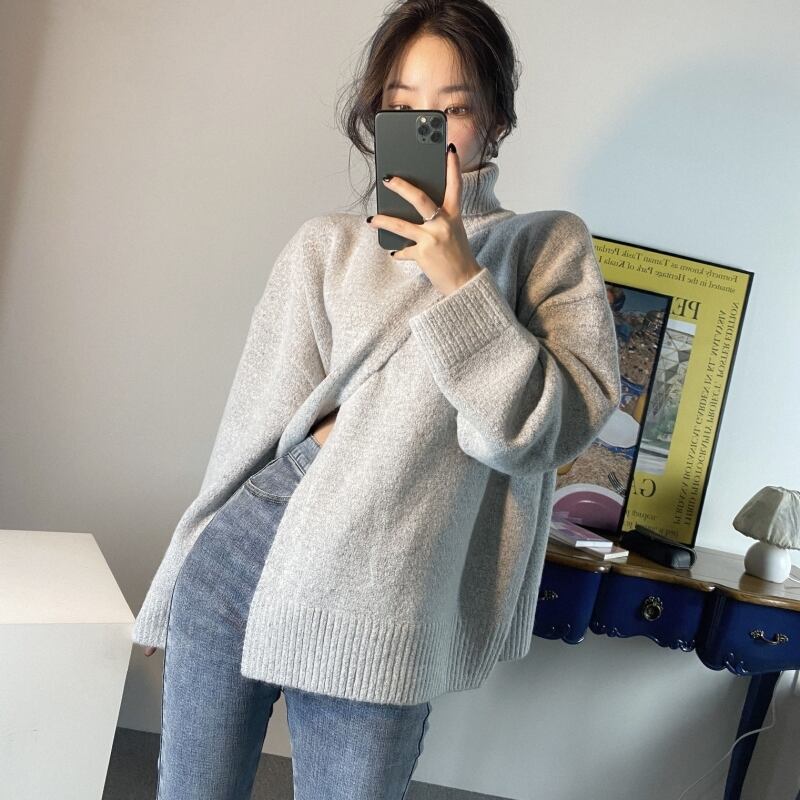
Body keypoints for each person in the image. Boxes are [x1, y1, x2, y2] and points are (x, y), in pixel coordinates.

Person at [133, 1, 621, 798]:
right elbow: (250, 431)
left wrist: (460, 278)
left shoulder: (545, 247)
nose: (429, 128)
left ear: (496, 119)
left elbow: (538, 435)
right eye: (404, 107)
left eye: (454, 108)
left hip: (388, 591)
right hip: (251, 547)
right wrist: (171, 583)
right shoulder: (325, 246)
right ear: (375, 115)